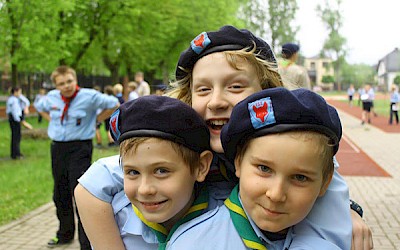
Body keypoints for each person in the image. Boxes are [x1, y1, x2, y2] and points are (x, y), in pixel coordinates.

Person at [74, 25, 373, 249]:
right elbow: (90, 187)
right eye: (203, 90)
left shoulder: (290, 155)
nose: (216, 101)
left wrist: (348, 209)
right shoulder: (174, 149)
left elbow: (321, 183)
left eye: (235, 87)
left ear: (267, 91)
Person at [170, 87, 345, 249]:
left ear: (325, 183)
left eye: (300, 177)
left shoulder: (331, 243)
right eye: (264, 168)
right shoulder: (191, 243)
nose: (276, 195)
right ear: (238, 162)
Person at [83, 95, 213, 249]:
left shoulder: (225, 223)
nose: (145, 189)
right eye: (133, 172)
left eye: (161, 171)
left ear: (201, 166)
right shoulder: (114, 219)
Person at [34, 66, 119, 249]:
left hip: (79, 148)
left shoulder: (89, 96)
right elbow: (39, 106)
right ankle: (64, 234)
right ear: (56, 85)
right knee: (60, 192)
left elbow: (114, 102)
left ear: (75, 79)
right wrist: (52, 121)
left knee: (79, 192)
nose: (66, 86)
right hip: (57, 148)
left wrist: (96, 120)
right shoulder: (52, 98)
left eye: (69, 81)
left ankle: (86, 243)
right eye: (61, 83)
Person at [6, 86, 24, 159]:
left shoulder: (15, 99)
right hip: (14, 119)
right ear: (15, 92)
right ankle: (16, 154)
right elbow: (14, 111)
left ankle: (16, 152)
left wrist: (21, 96)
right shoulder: (13, 100)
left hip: (14, 118)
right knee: (16, 136)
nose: (20, 94)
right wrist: (18, 120)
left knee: (16, 136)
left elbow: (26, 102)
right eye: (19, 92)